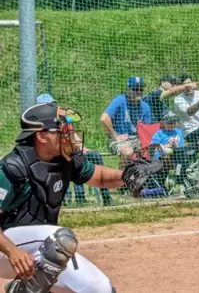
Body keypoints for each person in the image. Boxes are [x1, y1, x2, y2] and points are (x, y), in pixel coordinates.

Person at [0, 102, 158, 292]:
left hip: (43, 248)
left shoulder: (64, 160)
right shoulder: (12, 168)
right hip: (6, 250)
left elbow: (98, 176)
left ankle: (22, 288)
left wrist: (125, 176)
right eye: (62, 129)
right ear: (41, 136)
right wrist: (12, 251)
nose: (69, 134)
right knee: (60, 238)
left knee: (100, 289)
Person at [101, 76, 151, 169]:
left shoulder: (145, 107)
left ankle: (152, 180)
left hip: (137, 140)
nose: (139, 92)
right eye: (135, 89)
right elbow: (104, 118)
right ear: (128, 89)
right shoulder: (119, 101)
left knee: (160, 150)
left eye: (141, 89)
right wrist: (114, 136)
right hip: (119, 140)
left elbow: (146, 130)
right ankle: (121, 179)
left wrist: (146, 145)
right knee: (128, 151)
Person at [174, 75, 199, 147]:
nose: (188, 87)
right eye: (185, 85)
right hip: (190, 131)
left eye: (189, 83)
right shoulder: (178, 99)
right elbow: (190, 112)